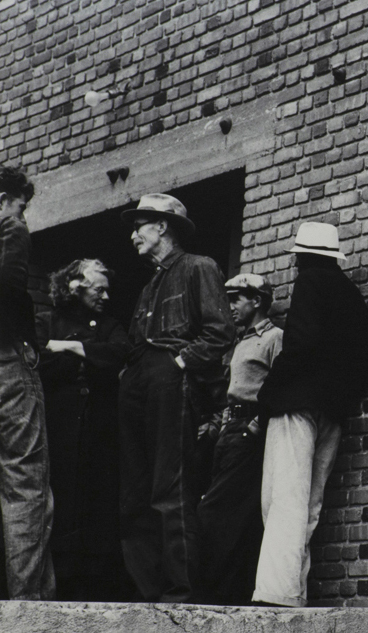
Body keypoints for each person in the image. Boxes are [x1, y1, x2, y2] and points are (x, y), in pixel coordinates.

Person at [118, 193, 234, 603]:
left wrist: (181, 363)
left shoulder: (198, 267)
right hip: (139, 380)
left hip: (171, 378)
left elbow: (219, 331)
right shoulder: (149, 285)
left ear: (162, 226)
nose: (134, 235)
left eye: (140, 225)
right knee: (135, 489)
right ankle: (147, 589)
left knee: (171, 486)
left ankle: (179, 594)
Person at [252, 222, 368, 607]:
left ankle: (276, 593)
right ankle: (295, 592)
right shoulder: (352, 296)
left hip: (296, 404)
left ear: (302, 256)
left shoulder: (310, 282)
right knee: (310, 504)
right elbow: (362, 364)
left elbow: (301, 343)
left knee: (283, 497)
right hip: (333, 410)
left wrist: (267, 395)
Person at [38, 259, 130, 600]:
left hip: (99, 429)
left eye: (107, 289)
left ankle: (93, 583)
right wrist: (89, 356)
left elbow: (121, 352)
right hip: (59, 427)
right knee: (60, 498)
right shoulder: (47, 320)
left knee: (97, 500)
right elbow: (37, 357)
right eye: (98, 288)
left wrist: (71, 347)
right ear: (75, 286)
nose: (105, 296)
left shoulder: (109, 324)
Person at [197, 273, 282, 605]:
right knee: (225, 513)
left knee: (217, 513)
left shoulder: (275, 338)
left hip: (249, 431)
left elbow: (280, 385)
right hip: (227, 432)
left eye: (236, 298)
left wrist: (257, 426)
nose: (229, 305)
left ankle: (217, 595)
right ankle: (227, 593)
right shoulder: (238, 340)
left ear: (257, 301)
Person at [0, 165, 55, 600]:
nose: (24, 215)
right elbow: (8, 285)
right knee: (24, 481)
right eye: (23, 205)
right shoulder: (10, 227)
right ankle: (26, 604)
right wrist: (26, 341)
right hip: (6, 361)